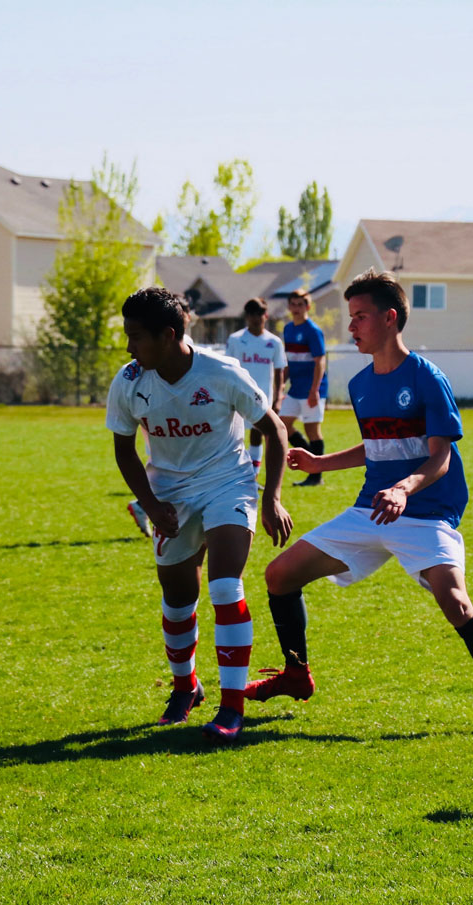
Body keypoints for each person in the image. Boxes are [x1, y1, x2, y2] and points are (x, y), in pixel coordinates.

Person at [246, 268, 473, 733]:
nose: (351, 326)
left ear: (390, 318)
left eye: (360, 316)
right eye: (351, 317)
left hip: (425, 512)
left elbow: (440, 457)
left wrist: (404, 488)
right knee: (280, 575)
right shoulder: (361, 385)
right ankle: (296, 674)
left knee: (455, 602)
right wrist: (321, 465)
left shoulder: (426, 377)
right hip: (372, 510)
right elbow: (377, 447)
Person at [107, 286, 293, 742]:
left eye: (136, 337)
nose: (129, 347)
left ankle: (232, 709)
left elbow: (275, 429)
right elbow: (123, 450)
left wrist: (270, 498)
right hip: (169, 495)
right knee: (177, 599)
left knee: (226, 586)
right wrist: (151, 505)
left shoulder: (222, 372)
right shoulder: (129, 381)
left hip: (227, 484)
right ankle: (185, 686)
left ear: (168, 336)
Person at [126, 297, 195, 539]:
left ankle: (143, 504)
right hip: (169, 428)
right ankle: (144, 503)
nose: (129, 347)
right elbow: (123, 451)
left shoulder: (193, 352)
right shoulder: (132, 375)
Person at [225, 297, 285, 474]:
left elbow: (280, 370)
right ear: (246, 316)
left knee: (258, 433)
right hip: (237, 394)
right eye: (251, 314)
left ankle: (254, 474)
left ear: (265, 315)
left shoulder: (274, 342)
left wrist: (279, 396)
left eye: (259, 313)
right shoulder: (236, 339)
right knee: (235, 434)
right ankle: (235, 472)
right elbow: (227, 366)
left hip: (263, 395)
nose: (255, 318)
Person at [280, 288, 328, 486]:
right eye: (293, 304)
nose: (297, 308)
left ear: (307, 306)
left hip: (311, 389)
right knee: (282, 424)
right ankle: (313, 460)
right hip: (295, 389)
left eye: (301, 304)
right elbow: (288, 361)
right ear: (289, 306)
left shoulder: (313, 330)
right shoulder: (288, 329)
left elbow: (320, 362)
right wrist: (281, 385)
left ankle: (315, 476)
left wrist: (314, 390)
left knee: (312, 430)